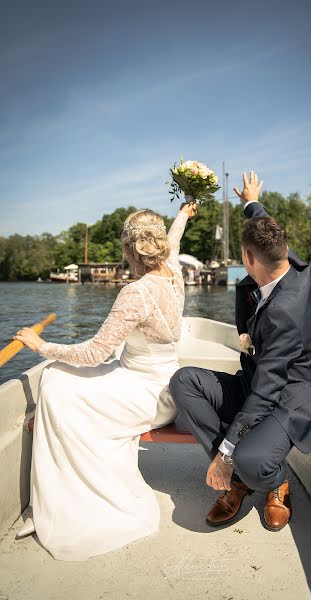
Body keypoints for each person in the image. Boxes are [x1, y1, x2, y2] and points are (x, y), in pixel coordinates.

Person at [14, 201, 197, 561]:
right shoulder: (174, 271)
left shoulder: (135, 293)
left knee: (54, 380)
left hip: (143, 392)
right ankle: (54, 491)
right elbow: (174, 242)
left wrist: (41, 345)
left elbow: (95, 353)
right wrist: (183, 216)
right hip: (166, 387)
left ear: (129, 249)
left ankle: (61, 500)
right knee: (57, 382)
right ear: (158, 245)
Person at [170, 171, 311, 532]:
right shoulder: (293, 266)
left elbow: (269, 390)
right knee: (184, 382)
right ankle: (237, 477)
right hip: (254, 383)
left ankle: (271, 479)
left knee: (251, 459)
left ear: (247, 258)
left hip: (287, 399)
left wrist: (225, 454)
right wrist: (251, 202)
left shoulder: (285, 312)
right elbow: (263, 228)